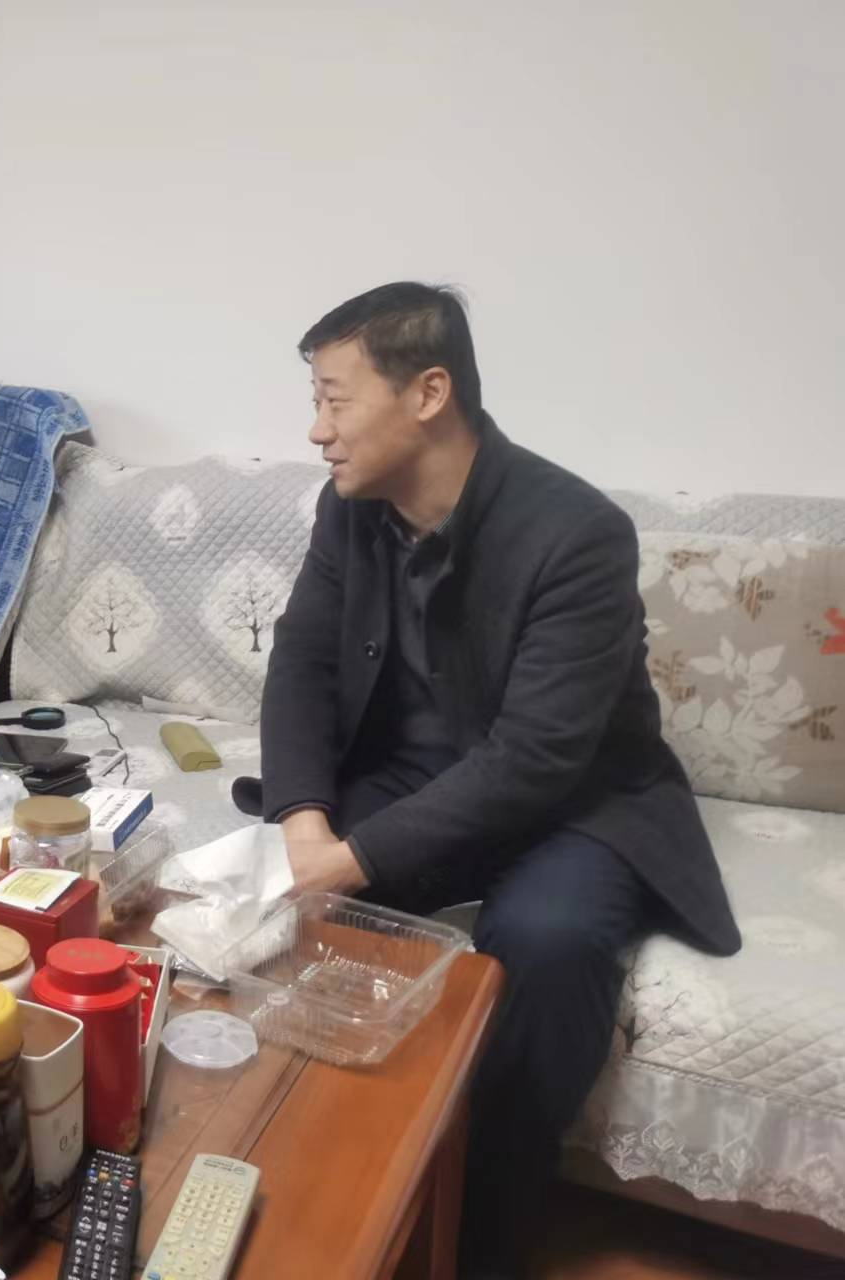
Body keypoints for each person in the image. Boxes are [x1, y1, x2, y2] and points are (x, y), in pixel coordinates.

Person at [256, 283, 738, 1275]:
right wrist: (305, 824)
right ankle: (325, 1187)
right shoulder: (349, 510)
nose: (316, 430)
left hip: (573, 802)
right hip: (412, 773)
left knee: (549, 941)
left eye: (335, 399)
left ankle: (482, 1236)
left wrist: (352, 855)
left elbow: (537, 756)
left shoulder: (577, 532)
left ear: (427, 392)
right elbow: (301, 662)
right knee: (279, 911)